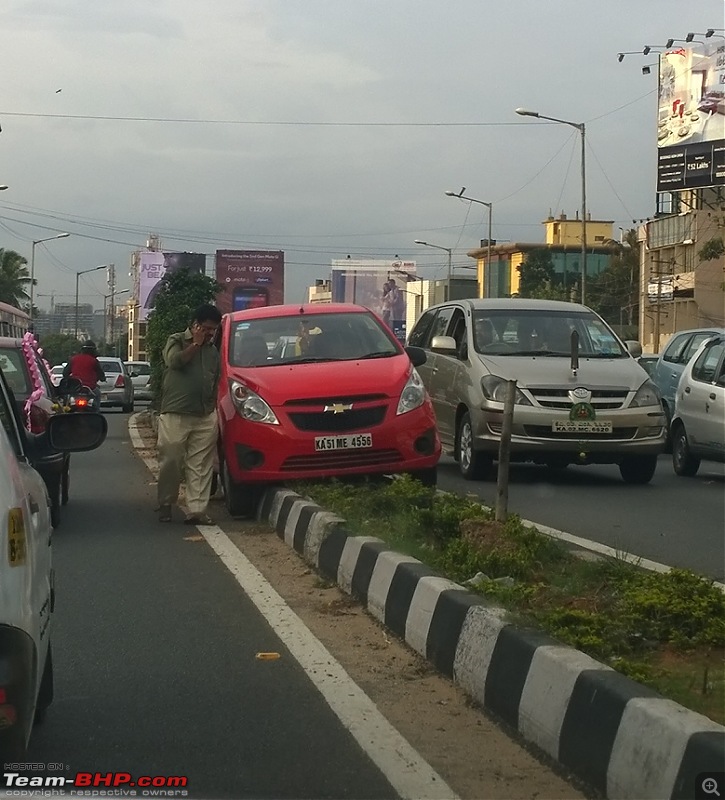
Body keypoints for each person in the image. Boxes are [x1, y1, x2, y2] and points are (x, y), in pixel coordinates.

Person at [156, 304, 222, 525]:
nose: (211, 333)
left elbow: (215, 380)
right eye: (206, 328)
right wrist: (195, 344)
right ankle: (166, 503)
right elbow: (174, 362)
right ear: (195, 325)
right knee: (171, 459)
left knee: (201, 465)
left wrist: (212, 407)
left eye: (214, 329)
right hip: (176, 413)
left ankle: (197, 510)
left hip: (204, 415)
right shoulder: (176, 340)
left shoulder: (213, 352)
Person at [63, 341, 105, 406]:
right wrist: (102, 378)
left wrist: (69, 379)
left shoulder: (73, 359)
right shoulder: (94, 361)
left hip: (75, 388)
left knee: (67, 399)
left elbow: (65, 373)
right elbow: (101, 374)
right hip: (90, 388)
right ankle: (96, 412)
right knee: (98, 394)